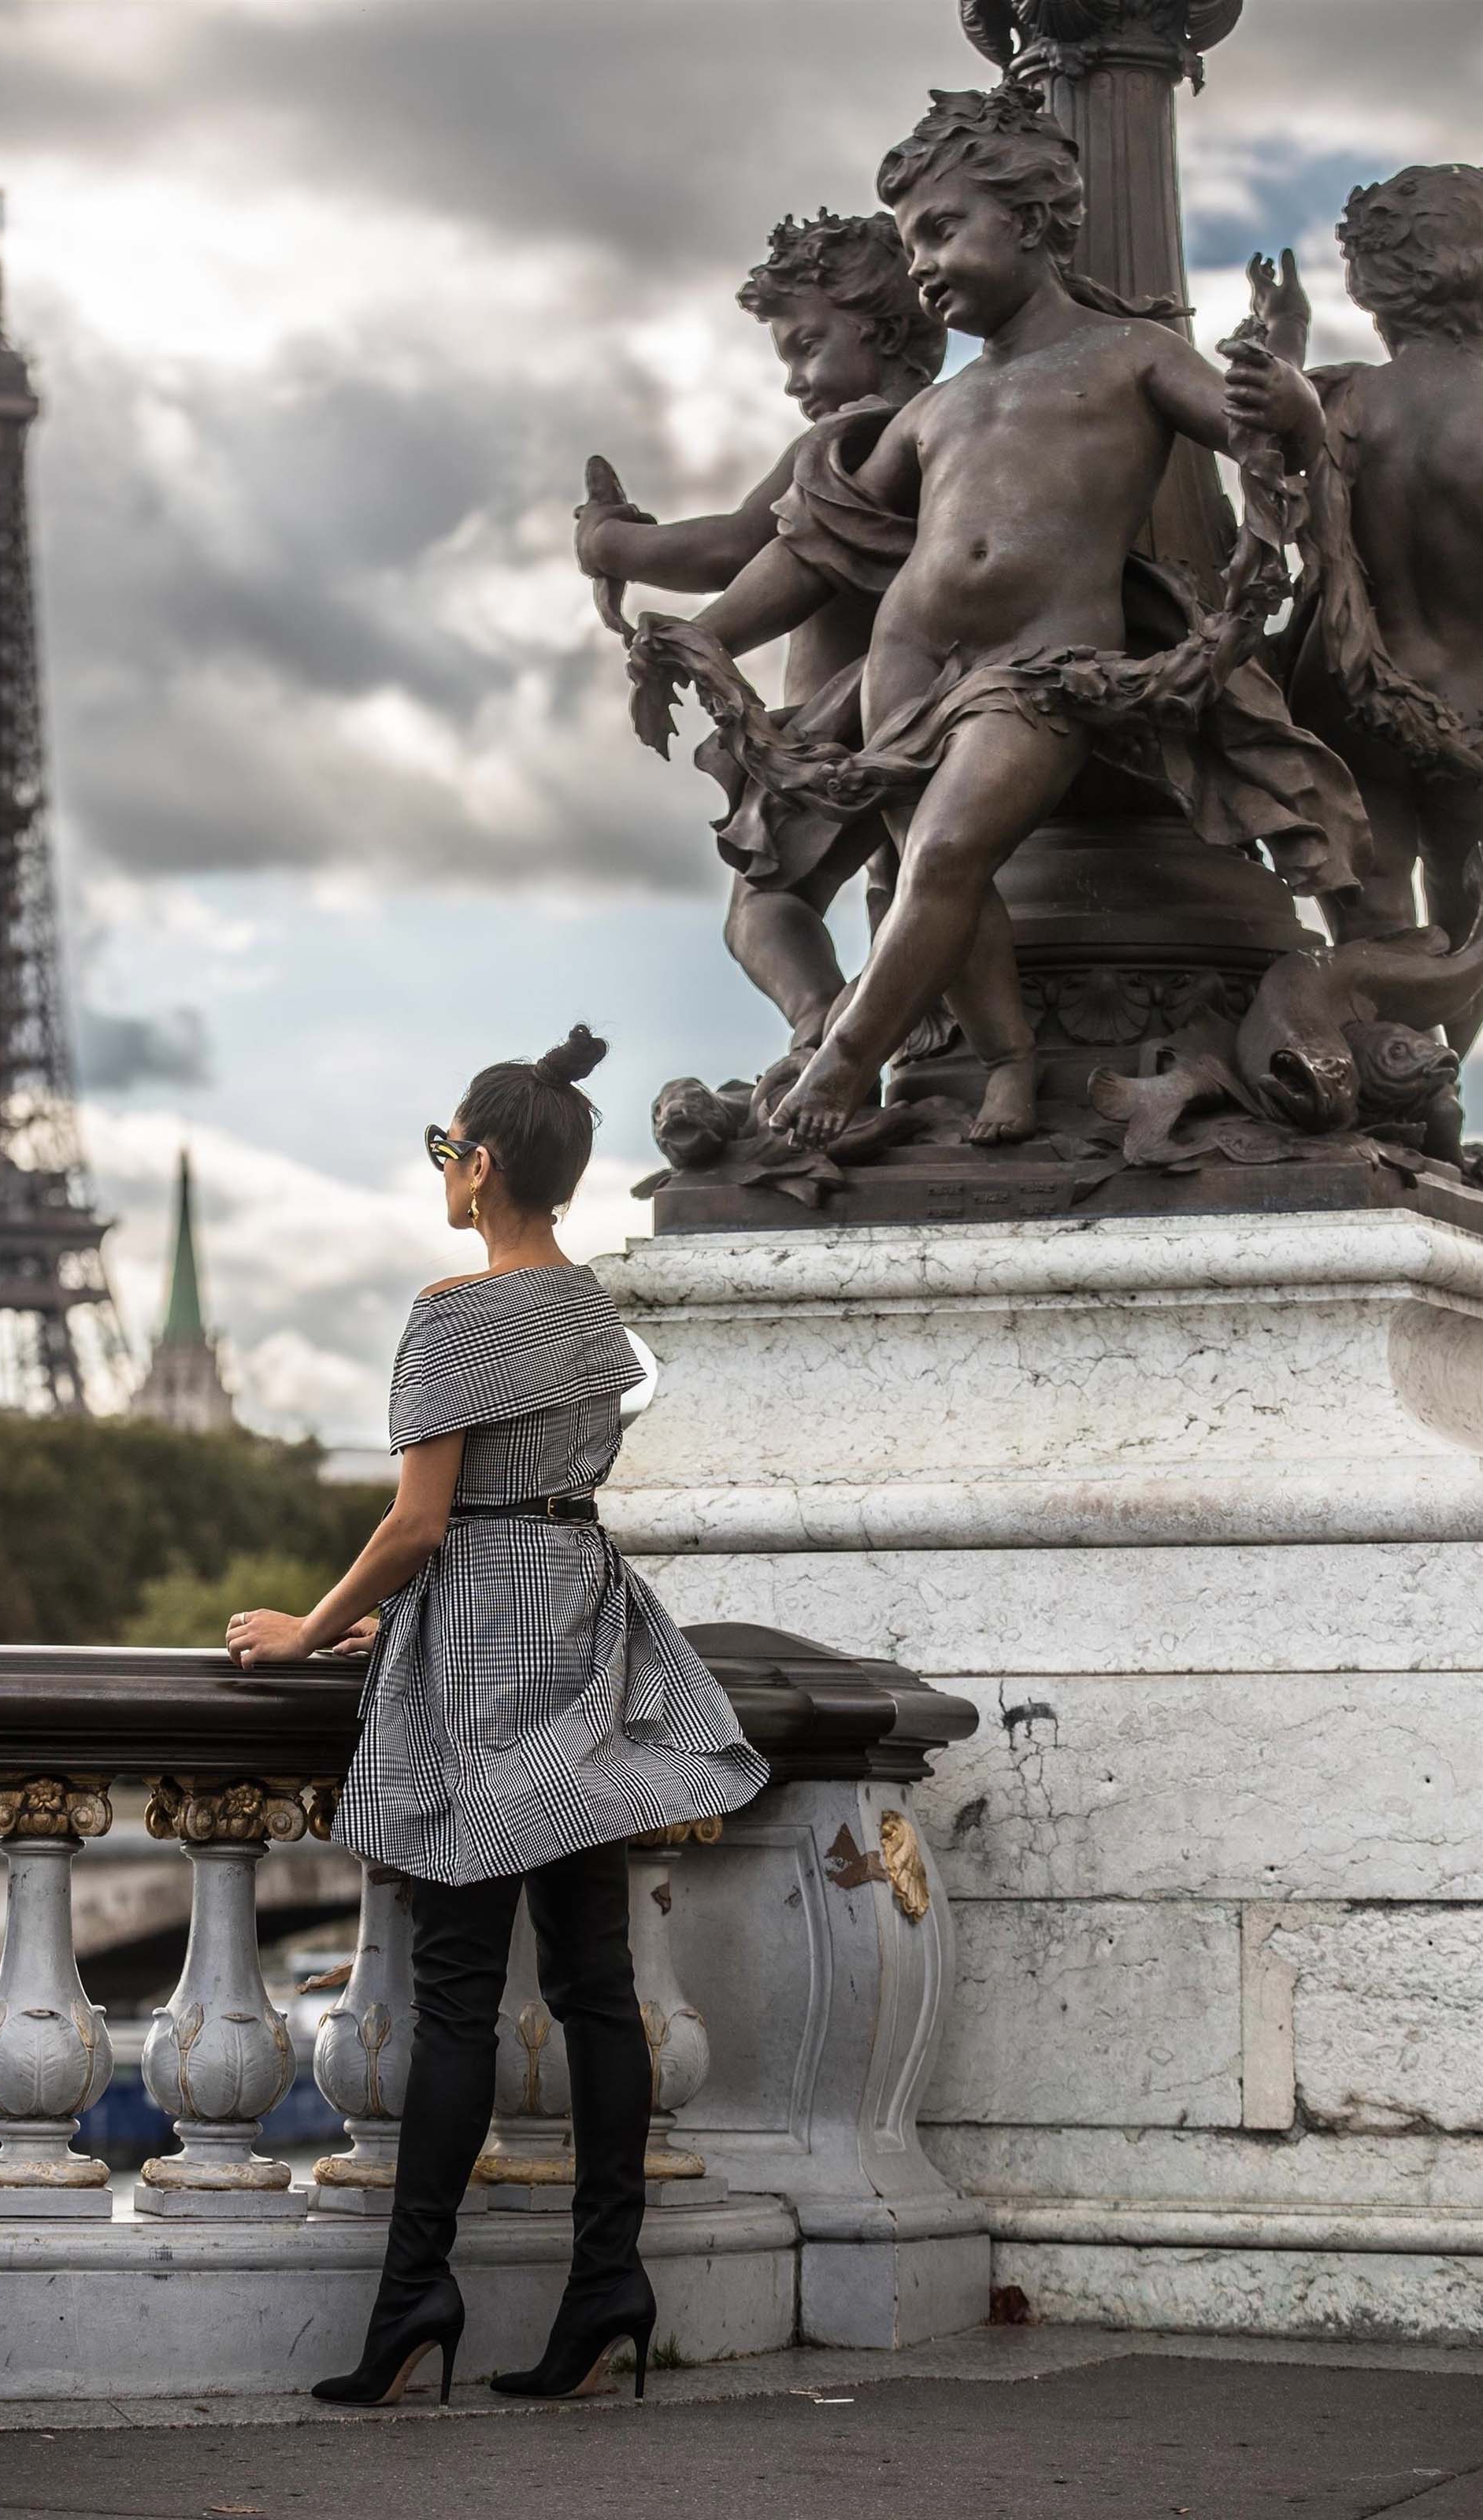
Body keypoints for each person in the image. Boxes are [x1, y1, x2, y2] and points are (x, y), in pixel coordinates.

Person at [624, 83, 1368, 1147]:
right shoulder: (934, 408)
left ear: (1027, 219)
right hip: (906, 662)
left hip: (1042, 667)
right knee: (946, 875)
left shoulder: (1129, 353)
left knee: (942, 860)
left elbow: (1252, 433)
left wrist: (1288, 400)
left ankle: (841, 1060)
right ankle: (1009, 1062)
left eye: (940, 231)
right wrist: (709, 634)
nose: (921, 263)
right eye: (908, 242)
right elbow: (814, 546)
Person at [225, 1025, 767, 2407]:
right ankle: (607, 2284)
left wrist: (309, 1625)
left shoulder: (453, 1318)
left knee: (458, 1997)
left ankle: (415, 2299)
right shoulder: (595, 1317)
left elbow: (416, 1527)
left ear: (478, 1166)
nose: (440, 1177)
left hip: (476, 1635)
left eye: (443, 1152)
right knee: (593, 1991)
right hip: (579, 1617)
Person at [574, 213, 947, 1061]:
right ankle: (897, 1029)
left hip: (844, 723)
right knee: (902, 892)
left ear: (881, 324)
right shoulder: (950, 431)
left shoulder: (851, 438)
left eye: (806, 344)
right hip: (906, 711)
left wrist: (609, 542)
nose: (795, 380)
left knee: (763, 909)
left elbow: (735, 547)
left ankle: (827, 1031)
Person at [1252, 168, 1483, 1057]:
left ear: (1372, 286)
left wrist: (1284, 334)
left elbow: (1278, 490)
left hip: (1352, 697)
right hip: (1474, 708)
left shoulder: (1343, 401)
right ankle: (1423, 1084)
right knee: (1464, 936)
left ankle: (1394, 1098)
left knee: (1376, 926)